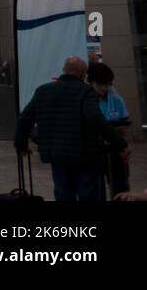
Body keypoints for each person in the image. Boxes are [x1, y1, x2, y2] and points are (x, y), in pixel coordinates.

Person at [15, 56, 126, 202]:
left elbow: (25, 119)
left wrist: (21, 145)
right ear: (82, 74)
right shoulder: (86, 91)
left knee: (63, 194)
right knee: (89, 194)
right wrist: (120, 144)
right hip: (85, 155)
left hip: (57, 154)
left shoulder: (43, 91)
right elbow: (96, 120)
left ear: (63, 70)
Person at [88, 61, 131, 196]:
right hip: (93, 151)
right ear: (90, 82)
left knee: (120, 186)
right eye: (100, 85)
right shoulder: (86, 101)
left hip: (115, 150)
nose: (104, 88)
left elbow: (125, 126)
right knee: (95, 188)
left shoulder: (117, 100)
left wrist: (125, 147)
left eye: (107, 85)